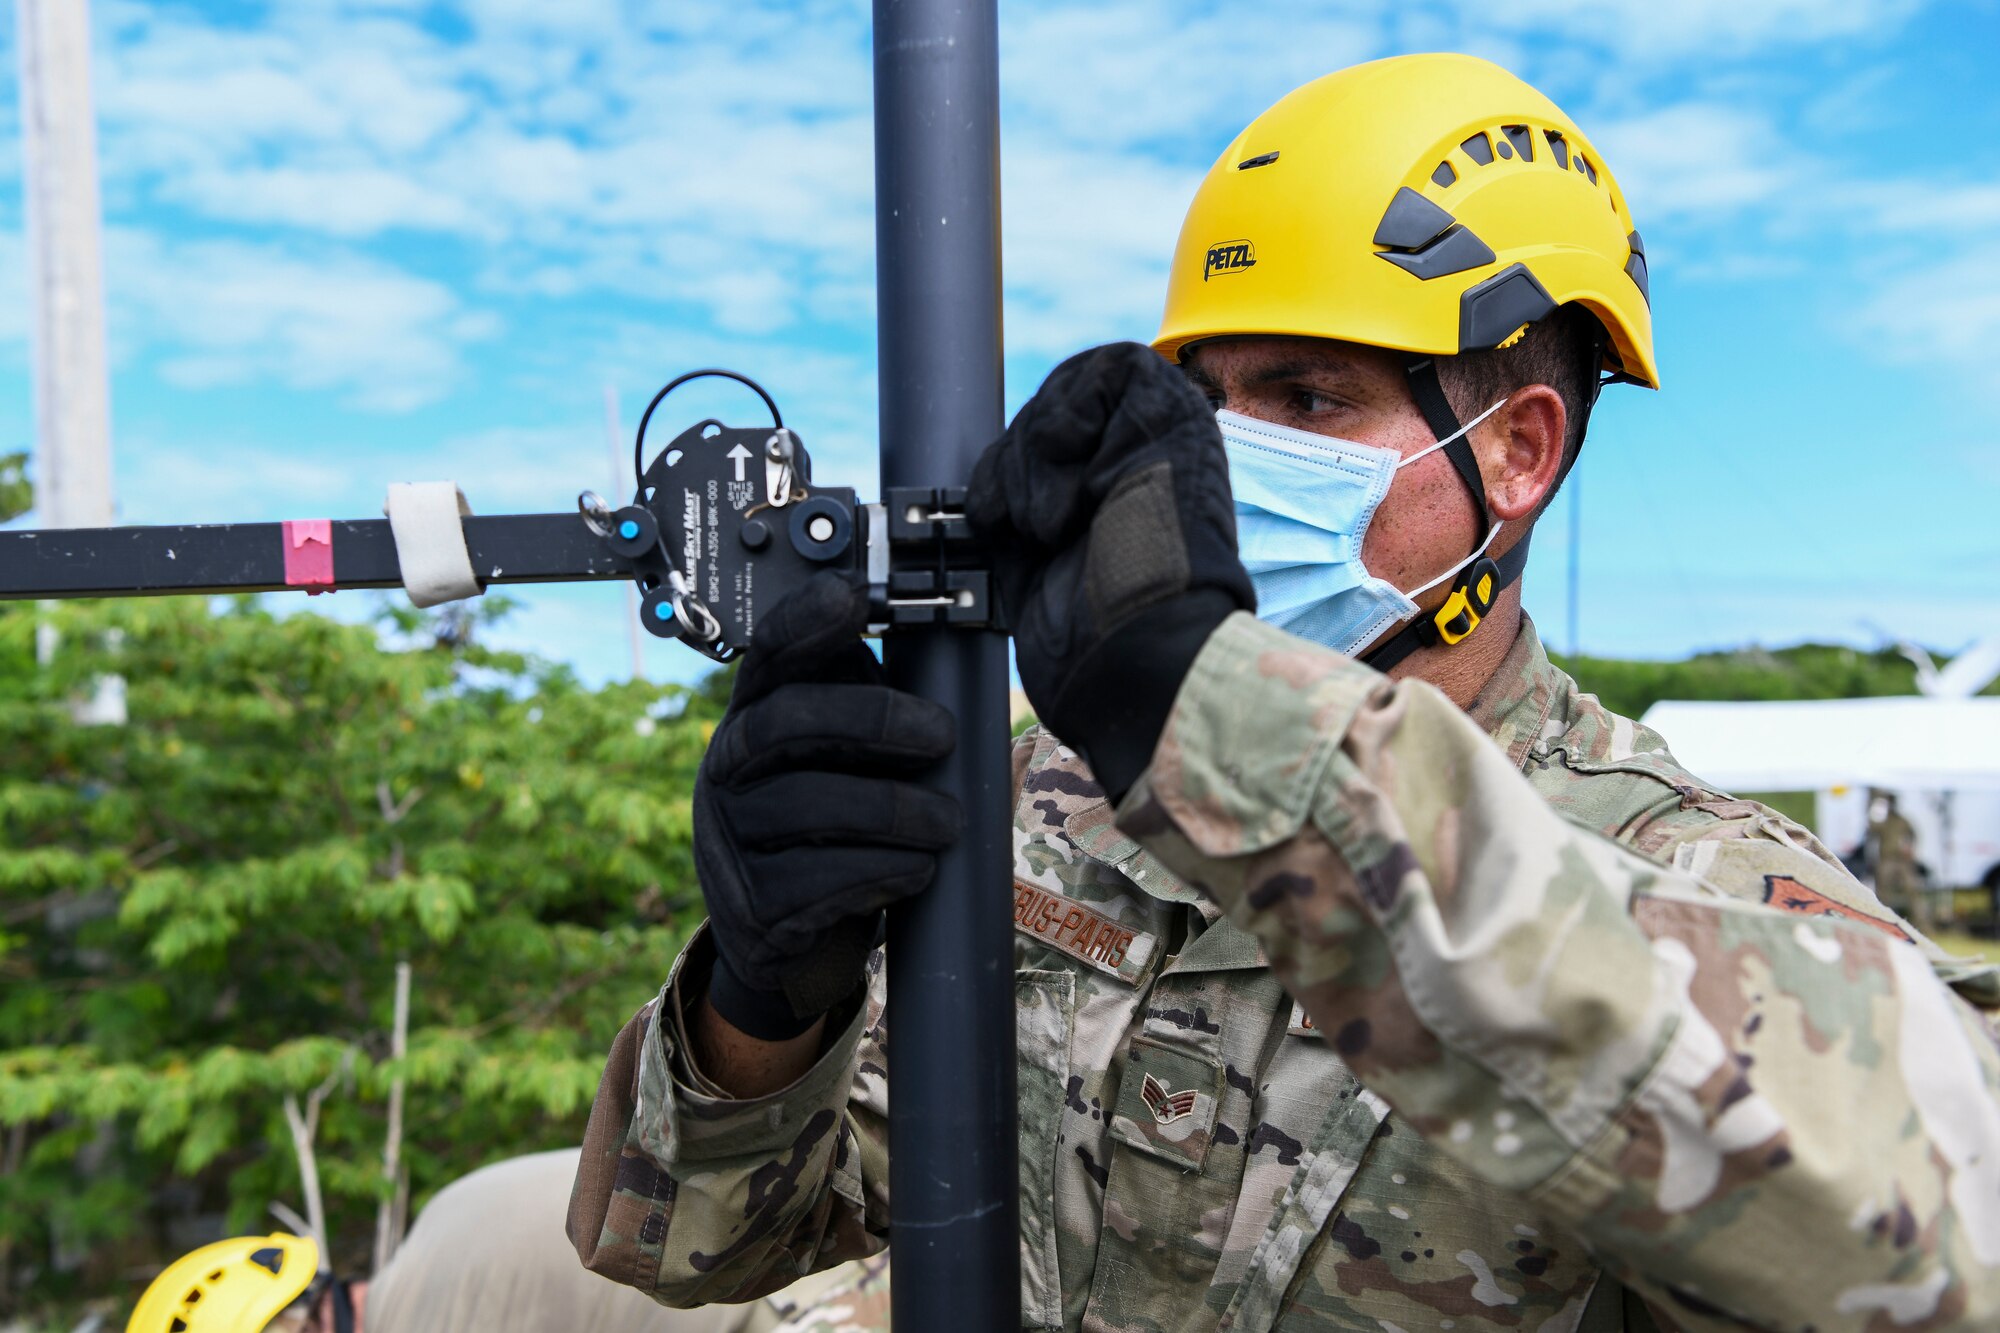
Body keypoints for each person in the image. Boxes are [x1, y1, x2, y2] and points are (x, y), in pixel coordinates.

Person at [570, 53, 2000, 1331]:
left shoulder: (1691, 878)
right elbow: (695, 1249)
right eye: (1209, 405)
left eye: (1312, 402)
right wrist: (762, 1015)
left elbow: (1944, 1243)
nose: (1229, 466)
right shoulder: (1042, 807)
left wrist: (1232, 735)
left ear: (1518, 452)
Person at [1869, 790, 1929, 934]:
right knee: (1883, 892)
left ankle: (1922, 925)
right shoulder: (1884, 821)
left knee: (1913, 891)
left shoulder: (1902, 821)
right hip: (1887, 859)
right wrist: (1875, 809)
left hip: (1902, 861)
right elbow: (1872, 829)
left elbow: (1914, 835)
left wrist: (1910, 847)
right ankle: (1883, 922)